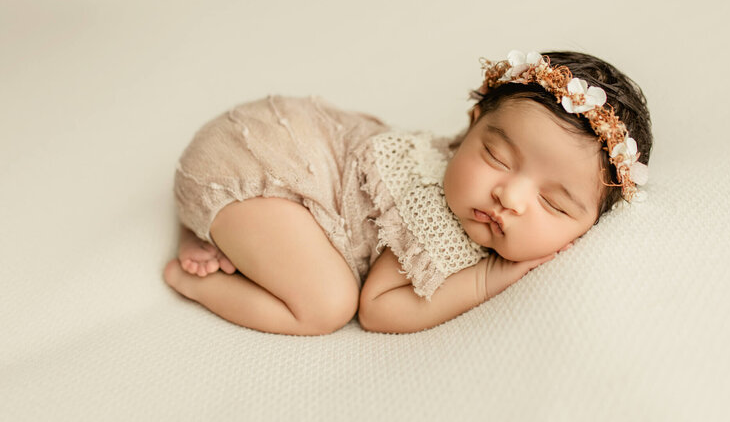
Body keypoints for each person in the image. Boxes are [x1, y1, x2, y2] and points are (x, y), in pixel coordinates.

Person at [163, 50, 652, 335]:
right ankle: (194, 277)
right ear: (471, 127)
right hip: (252, 160)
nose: (510, 196)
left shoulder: (478, 194)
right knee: (326, 304)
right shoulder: (431, 206)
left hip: (283, 154)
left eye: (554, 203)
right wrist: (488, 279)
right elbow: (378, 307)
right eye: (497, 157)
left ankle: (224, 235)